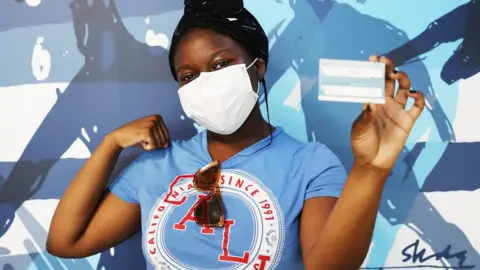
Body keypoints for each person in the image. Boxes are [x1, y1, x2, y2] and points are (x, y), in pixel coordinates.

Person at [46, 0, 425, 269]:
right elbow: (66, 242)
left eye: (221, 64)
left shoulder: (310, 163)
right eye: (188, 76)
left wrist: (370, 170)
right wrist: (110, 144)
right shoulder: (158, 164)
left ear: (258, 68)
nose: (205, 82)